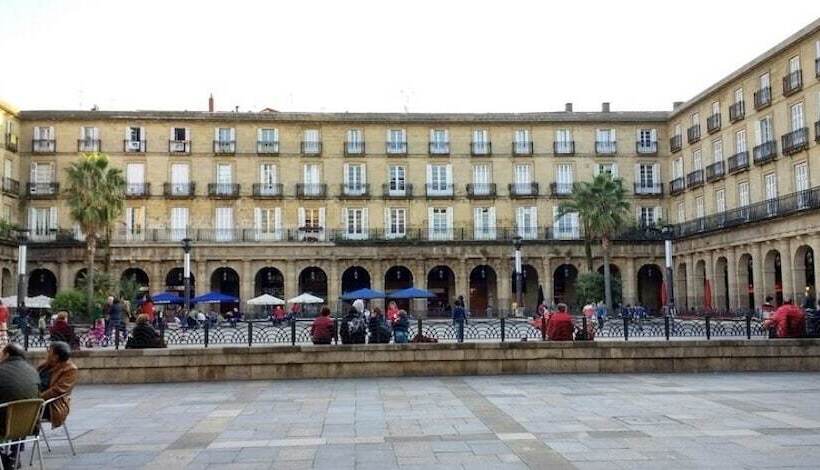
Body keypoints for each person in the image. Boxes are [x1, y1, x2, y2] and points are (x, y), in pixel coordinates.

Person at [0, 343, 40, 468]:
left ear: (7, 354)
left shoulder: (2, 370)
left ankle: (3, 456)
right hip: (28, 425)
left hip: (4, 424)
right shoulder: (32, 370)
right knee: (20, 410)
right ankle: (14, 455)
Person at [37, 341, 78, 430]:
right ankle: (18, 441)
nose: (47, 353)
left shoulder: (70, 369)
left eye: (49, 351)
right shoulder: (45, 365)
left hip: (51, 405)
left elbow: (57, 390)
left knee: (22, 411)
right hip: (35, 399)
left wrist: (37, 399)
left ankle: (19, 442)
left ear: (56, 357)